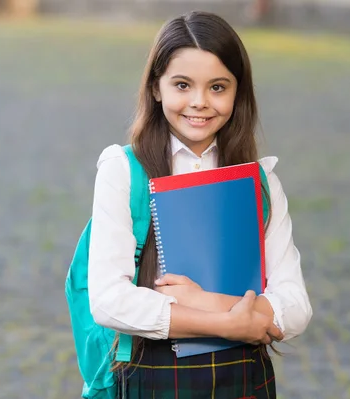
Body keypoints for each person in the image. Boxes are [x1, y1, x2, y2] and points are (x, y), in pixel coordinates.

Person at [87, 10, 312, 398]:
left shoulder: (260, 181)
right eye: (182, 85)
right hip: (154, 378)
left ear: (238, 91)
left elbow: (295, 308)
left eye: (218, 87)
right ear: (156, 88)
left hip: (244, 379)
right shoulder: (125, 171)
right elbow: (108, 301)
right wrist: (229, 324)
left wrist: (207, 301)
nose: (200, 102)